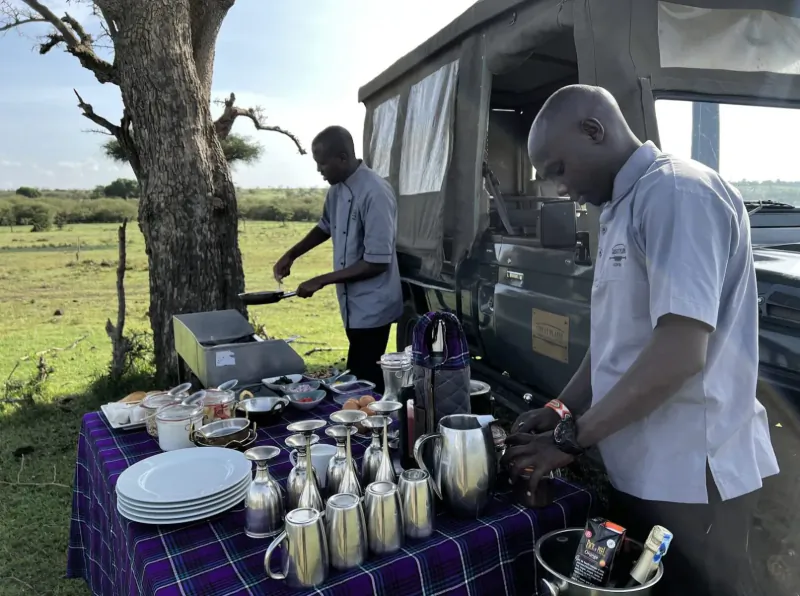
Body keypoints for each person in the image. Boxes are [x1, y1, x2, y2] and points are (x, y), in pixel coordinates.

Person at [501, 85, 779, 595]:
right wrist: (563, 408)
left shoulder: (677, 193)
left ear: (594, 130)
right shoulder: (623, 206)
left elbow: (680, 352)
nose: (557, 188)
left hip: (694, 478)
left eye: (558, 168)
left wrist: (571, 438)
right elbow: (615, 339)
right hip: (645, 468)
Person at [273, 125, 402, 393]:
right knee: (362, 376)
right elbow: (325, 226)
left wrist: (321, 280)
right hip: (351, 306)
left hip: (373, 305)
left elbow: (377, 261)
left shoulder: (375, 192)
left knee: (363, 380)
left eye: (322, 164)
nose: (319, 170)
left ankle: (378, 429)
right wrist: (292, 254)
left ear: (342, 158)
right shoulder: (336, 190)